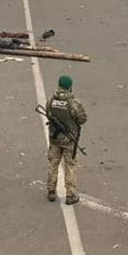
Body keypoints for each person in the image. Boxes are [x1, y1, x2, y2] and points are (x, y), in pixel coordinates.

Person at [45, 75, 87, 204]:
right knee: (70, 166)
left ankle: (51, 190)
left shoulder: (51, 100)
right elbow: (82, 119)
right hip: (69, 140)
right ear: (70, 87)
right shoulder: (73, 103)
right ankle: (70, 195)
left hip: (55, 138)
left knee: (53, 163)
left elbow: (48, 113)